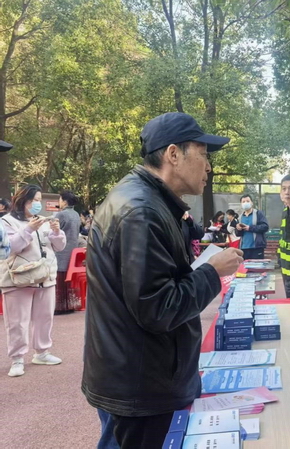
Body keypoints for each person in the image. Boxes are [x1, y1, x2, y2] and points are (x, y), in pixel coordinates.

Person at [81, 112, 244, 448]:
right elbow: (157, 307)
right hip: (141, 387)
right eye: (203, 155)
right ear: (173, 154)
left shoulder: (146, 200)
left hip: (137, 376)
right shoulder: (142, 211)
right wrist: (212, 272)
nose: (208, 167)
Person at [0, 184, 66, 377]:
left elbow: (59, 246)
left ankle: (42, 352)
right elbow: (10, 248)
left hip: (45, 277)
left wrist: (56, 232)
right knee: (17, 322)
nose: (37, 204)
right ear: (22, 201)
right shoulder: (6, 221)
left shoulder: (43, 221)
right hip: (18, 278)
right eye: (33, 200)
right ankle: (17, 358)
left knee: (45, 317)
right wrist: (28, 229)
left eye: (38, 200)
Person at [54, 190, 81, 314]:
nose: (59, 202)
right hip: (73, 250)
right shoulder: (76, 214)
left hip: (61, 251)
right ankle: (70, 305)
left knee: (59, 278)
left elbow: (53, 231)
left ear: (64, 201)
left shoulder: (61, 215)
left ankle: (59, 307)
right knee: (69, 280)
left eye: (60, 199)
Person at [236, 194, 269, 259]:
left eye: (248, 201)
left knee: (257, 265)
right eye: (243, 202)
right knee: (245, 265)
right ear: (241, 204)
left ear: (252, 203)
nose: (245, 203)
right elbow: (238, 234)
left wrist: (250, 228)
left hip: (256, 248)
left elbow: (265, 227)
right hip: (244, 248)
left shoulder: (258, 213)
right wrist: (238, 229)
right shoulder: (240, 217)